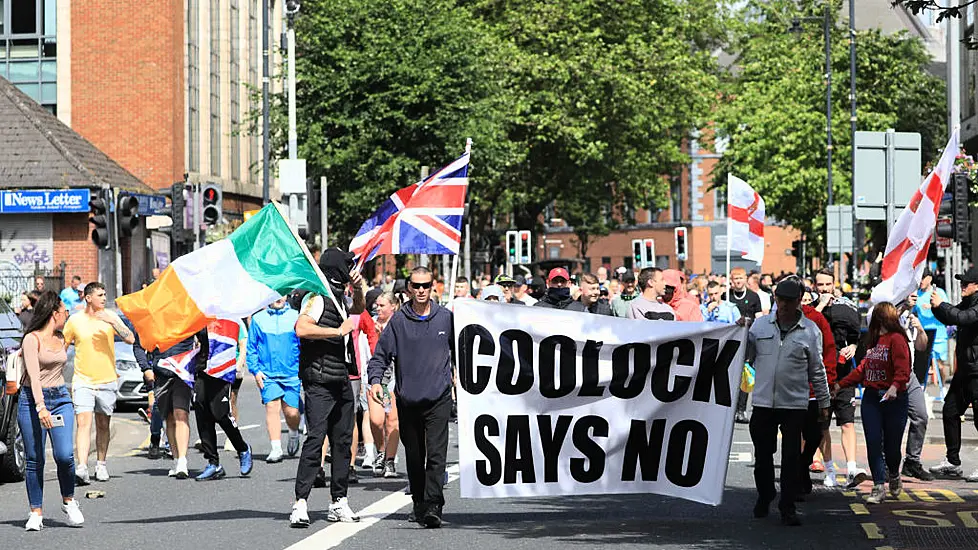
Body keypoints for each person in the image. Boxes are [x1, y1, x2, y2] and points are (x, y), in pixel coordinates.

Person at [368, 266, 454, 528]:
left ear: (433, 286)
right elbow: (380, 356)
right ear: (408, 288)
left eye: (425, 285)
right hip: (408, 400)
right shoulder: (399, 321)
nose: (421, 290)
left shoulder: (446, 318)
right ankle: (419, 502)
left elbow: (464, 351)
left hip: (438, 398)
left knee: (437, 456)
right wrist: (375, 381)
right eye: (416, 286)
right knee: (415, 457)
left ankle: (434, 505)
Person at [746, 277, 830, 526]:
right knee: (762, 456)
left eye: (789, 301)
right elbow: (745, 356)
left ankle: (787, 506)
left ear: (799, 302)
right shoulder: (759, 327)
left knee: (791, 458)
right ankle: (765, 495)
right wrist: (739, 332)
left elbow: (817, 369)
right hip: (763, 403)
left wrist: (824, 402)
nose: (783, 305)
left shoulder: (810, 332)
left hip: (794, 404)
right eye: (779, 299)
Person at [290, 248, 363, 527]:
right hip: (319, 381)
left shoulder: (339, 294)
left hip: (341, 378)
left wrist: (358, 286)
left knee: (343, 442)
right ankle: (300, 503)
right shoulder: (316, 296)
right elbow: (302, 328)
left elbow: (358, 308)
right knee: (316, 438)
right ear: (338, 268)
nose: (352, 268)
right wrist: (336, 332)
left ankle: (338, 502)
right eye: (349, 265)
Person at [18, 291, 84, 530]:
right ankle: (36, 512)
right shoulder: (31, 339)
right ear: (53, 313)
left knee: (65, 455)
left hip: (60, 399)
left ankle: (69, 501)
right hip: (32, 401)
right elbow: (34, 378)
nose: (66, 314)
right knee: (34, 458)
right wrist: (40, 407)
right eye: (64, 311)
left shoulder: (62, 336)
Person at [835, 302, 911, 504]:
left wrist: (895, 387)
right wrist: (841, 384)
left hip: (894, 398)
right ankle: (878, 485)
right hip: (872, 397)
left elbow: (904, 368)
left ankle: (894, 473)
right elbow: (863, 368)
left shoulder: (897, 339)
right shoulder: (873, 342)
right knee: (874, 441)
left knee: (892, 446)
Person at [62, 282, 135, 485]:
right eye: (100, 295)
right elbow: (63, 346)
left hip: (107, 379)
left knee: (103, 424)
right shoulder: (75, 320)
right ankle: (82, 467)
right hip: (83, 379)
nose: (104, 298)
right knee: (83, 423)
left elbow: (130, 339)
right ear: (88, 297)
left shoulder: (110, 318)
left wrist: (113, 322)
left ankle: (101, 464)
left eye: (105, 294)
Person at [812, 269, 867, 486]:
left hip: (843, 375)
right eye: (820, 285)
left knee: (847, 422)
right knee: (823, 425)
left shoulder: (846, 305)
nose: (824, 289)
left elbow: (857, 334)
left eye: (827, 284)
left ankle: (852, 468)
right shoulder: (812, 308)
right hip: (821, 375)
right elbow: (807, 326)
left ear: (834, 284)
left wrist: (853, 346)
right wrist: (822, 305)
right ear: (814, 286)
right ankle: (829, 471)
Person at [929, 267, 978, 480]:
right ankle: (952, 461)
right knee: (950, 410)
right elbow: (951, 318)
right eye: (961, 282)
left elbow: (963, 318)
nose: (962, 286)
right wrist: (936, 308)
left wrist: (942, 304)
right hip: (965, 369)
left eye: (966, 283)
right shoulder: (969, 302)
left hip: (977, 371)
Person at [193, 318, 253, 481]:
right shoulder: (200, 317)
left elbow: (243, 342)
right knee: (202, 414)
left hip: (223, 371)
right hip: (202, 369)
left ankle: (242, 448)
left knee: (220, 414)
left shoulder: (231, 316)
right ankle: (213, 463)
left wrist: (239, 364)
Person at [248, 297, 302, 464]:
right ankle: (276, 448)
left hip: (292, 373)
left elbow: (303, 345)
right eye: (274, 294)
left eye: (282, 294)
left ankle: (293, 431)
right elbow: (252, 347)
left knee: (291, 412)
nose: (279, 297)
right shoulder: (258, 319)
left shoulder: (296, 316)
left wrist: (303, 369)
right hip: (268, 374)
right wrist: (255, 371)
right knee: (272, 407)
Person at [152, 330, 208, 479]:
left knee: (181, 413)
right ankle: (176, 460)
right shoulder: (155, 317)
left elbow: (203, 334)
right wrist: (145, 367)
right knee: (169, 418)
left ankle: (183, 461)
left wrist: (199, 361)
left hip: (183, 372)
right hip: (161, 372)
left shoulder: (185, 314)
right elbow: (139, 343)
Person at [897, 294, 934, 482]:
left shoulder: (912, 317)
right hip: (890, 376)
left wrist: (920, 330)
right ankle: (887, 464)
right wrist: (903, 307)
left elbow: (921, 346)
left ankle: (912, 461)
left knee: (921, 416)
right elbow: (882, 325)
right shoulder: (886, 310)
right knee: (891, 422)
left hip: (909, 375)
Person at [367, 292, 401, 478]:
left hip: (395, 376)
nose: (377, 308)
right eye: (376, 305)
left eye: (382, 305)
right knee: (376, 420)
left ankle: (389, 460)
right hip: (375, 377)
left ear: (393, 306)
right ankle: (381, 450)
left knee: (392, 421)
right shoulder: (370, 323)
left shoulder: (399, 324)